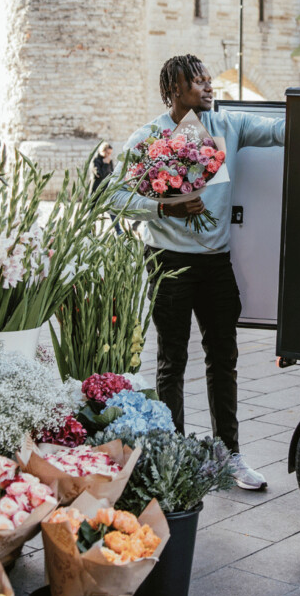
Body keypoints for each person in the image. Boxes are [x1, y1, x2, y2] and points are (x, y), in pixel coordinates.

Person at [114, 54, 284, 490]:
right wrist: (163, 207)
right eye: (198, 82)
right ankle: (174, 457)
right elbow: (114, 197)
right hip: (167, 261)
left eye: (209, 80)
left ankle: (229, 455)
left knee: (223, 359)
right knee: (171, 361)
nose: (209, 87)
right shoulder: (149, 137)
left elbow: (278, 130)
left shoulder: (229, 125)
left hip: (216, 262)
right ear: (174, 89)